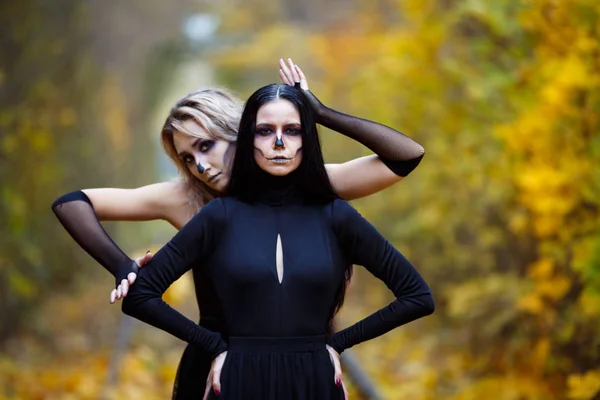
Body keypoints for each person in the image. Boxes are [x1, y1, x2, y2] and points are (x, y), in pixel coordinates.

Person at [51, 59, 426, 399]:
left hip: (301, 363)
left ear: (241, 133)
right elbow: (72, 203)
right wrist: (122, 267)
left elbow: (405, 155)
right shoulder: (185, 200)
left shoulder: (313, 188)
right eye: (187, 158)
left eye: (206, 146)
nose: (200, 165)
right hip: (219, 365)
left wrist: (319, 113)